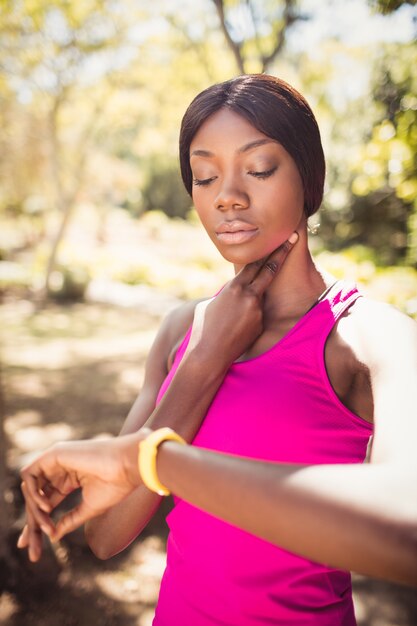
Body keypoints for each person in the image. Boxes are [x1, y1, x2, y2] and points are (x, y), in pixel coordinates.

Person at [18, 74, 417, 625]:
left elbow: (408, 527)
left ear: (310, 178)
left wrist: (154, 461)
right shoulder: (181, 331)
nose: (227, 194)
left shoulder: (372, 337)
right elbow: (107, 535)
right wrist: (202, 364)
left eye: (258, 168)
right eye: (205, 176)